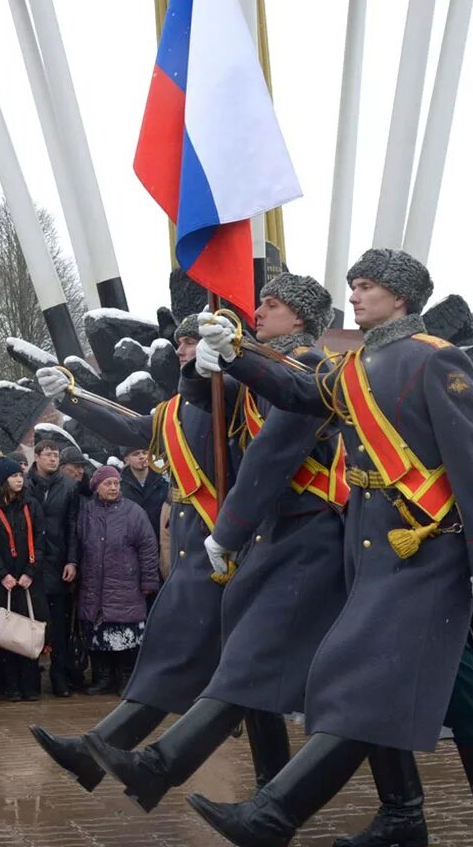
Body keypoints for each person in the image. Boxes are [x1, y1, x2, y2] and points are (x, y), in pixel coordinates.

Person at [186, 250, 473, 847]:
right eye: (353, 286)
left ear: (400, 298)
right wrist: (238, 355)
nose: (355, 296)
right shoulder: (353, 367)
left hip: (427, 549)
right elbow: (296, 388)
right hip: (373, 549)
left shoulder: (436, 360)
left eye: (366, 287)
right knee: (464, 704)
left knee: (362, 682)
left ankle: (273, 817)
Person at [82, 273, 342, 815]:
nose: (259, 312)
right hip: (277, 531)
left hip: (311, 530)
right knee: (267, 664)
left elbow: (270, 456)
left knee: (278, 665)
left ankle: (165, 768)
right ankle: (302, 800)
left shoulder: (307, 368)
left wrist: (227, 532)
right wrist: (205, 367)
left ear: (298, 318)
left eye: (270, 305)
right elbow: (207, 407)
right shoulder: (269, 373)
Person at [27, 313, 236, 793]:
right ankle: (96, 751)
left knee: (237, 671)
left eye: (193, 341)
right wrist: (71, 397)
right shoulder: (175, 410)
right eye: (180, 341)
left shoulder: (233, 398)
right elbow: (130, 427)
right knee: (180, 658)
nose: (184, 348)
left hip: (227, 546)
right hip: (195, 549)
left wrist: (236, 365)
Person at [71, 462, 160, 697]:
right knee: (97, 637)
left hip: (125, 585)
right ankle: (103, 678)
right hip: (94, 585)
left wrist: (149, 581)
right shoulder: (87, 512)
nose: (113, 487)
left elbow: (148, 548)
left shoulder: (133, 512)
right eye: (108, 483)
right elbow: (77, 544)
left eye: (116, 483)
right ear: (97, 487)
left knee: (126, 637)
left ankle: (128, 679)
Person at [0, 456, 45, 702]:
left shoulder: (32, 505)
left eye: (21, 475)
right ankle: (11, 687)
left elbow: (40, 541)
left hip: (29, 579)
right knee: (8, 635)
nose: (19, 479)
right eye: (14, 476)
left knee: (28, 632)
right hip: (3, 580)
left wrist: (30, 571)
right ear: (3, 479)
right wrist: (2, 574)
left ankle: (31, 686)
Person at [22, 434, 81, 697]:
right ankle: (31, 679)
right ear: (36, 457)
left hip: (58, 563)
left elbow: (73, 526)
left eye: (56, 455)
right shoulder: (23, 484)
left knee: (58, 626)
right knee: (31, 624)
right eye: (48, 454)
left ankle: (59, 679)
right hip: (31, 564)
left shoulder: (69, 487)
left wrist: (72, 560)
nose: (53, 458)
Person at [117, 446, 169, 537]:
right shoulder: (119, 486)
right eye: (136, 454)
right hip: (132, 540)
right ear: (127, 460)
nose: (142, 457)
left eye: (144, 453)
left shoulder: (163, 483)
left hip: (159, 538)